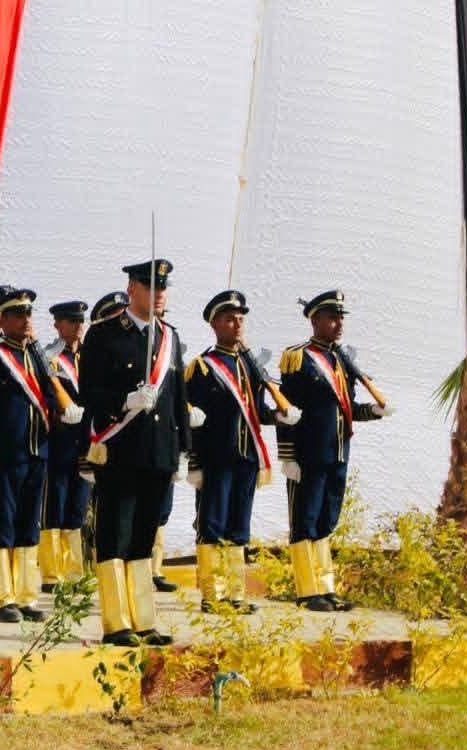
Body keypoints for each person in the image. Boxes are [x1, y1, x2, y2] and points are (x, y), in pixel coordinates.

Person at [79, 259, 189, 647]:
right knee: (115, 537)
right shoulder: (104, 334)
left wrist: (183, 450)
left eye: (163, 287)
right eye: (150, 286)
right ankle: (116, 623)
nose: (159, 294)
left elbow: (178, 398)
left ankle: (144, 620)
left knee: (143, 540)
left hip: (158, 452)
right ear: (132, 289)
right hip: (121, 451)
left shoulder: (170, 337)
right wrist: (123, 401)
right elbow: (88, 393)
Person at [186, 291, 302, 612]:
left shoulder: (250, 366)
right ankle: (213, 595)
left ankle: (235, 594)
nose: (237, 325)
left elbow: (257, 412)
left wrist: (279, 415)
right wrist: (194, 463)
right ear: (214, 324)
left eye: (240, 319)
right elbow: (191, 420)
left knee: (239, 526)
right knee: (212, 524)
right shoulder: (202, 367)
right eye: (229, 319)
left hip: (246, 459)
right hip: (216, 459)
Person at [277, 290, 390, 612]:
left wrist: (373, 411)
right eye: (332, 318)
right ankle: (306, 590)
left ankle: (325, 588)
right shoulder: (297, 359)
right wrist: (287, 455)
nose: (339, 324)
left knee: (326, 520)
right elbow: (286, 410)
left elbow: (347, 408)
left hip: (338, 451)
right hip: (308, 454)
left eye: (341, 318)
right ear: (315, 320)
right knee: (305, 519)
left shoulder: (341, 360)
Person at [0, 288, 70, 622]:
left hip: (37, 451)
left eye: (29, 314)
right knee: (1, 524)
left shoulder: (39, 357)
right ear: (5, 319)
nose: (26, 321)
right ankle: (3, 598)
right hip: (6, 453)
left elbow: (50, 398)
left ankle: (26, 596)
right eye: (19, 315)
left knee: (29, 525)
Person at [40, 299, 90, 593]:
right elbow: (42, 395)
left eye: (81, 321)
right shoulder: (49, 357)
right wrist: (58, 412)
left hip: (85, 443)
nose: (78, 326)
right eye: (72, 321)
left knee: (77, 508)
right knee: (54, 506)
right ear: (58, 325)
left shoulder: (91, 356)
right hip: (58, 442)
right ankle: (51, 573)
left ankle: (73, 572)